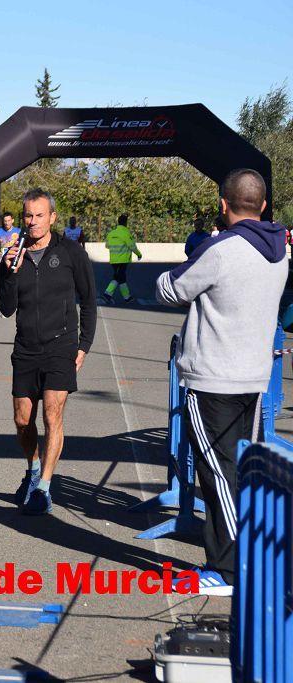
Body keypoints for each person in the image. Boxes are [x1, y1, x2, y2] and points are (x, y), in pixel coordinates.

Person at [155, 169, 287, 595]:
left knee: (217, 472)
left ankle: (230, 570)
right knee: (235, 470)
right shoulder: (279, 251)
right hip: (253, 377)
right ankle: (230, 562)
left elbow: (171, 290)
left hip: (213, 377)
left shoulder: (221, 250)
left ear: (223, 205)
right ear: (263, 205)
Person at [0, 188, 96, 515]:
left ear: (52, 218)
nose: (33, 221)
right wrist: (10, 271)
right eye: (28, 215)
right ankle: (34, 467)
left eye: (40, 215)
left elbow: (89, 299)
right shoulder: (14, 254)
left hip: (61, 344)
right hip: (26, 348)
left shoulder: (70, 253)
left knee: (52, 413)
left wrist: (84, 345)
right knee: (22, 420)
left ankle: (44, 488)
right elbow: (6, 308)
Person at [100, 214, 142, 304]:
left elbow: (107, 246)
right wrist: (139, 254)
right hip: (123, 260)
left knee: (121, 278)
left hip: (113, 260)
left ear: (118, 222)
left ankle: (127, 298)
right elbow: (132, 246)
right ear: (125, 223)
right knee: (117, 277)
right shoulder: (126, 233)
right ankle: (107, 294)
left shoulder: (111, 233)